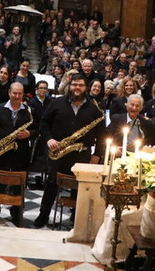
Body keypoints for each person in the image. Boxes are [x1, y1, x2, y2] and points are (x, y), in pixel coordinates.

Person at [34, 73, 104, 228]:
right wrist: (49, 139)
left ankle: (76, 219)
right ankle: (43, 215)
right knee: (51, 185)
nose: (77, 88)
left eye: (80, 85)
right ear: (69, 85)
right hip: (58, 153)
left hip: (82, 155)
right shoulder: (56, 103)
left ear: (86, 88)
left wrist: (97, 156)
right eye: (74, 85)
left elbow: (102, 136)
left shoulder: (94, 109)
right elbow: (44, 123)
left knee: (79, 189)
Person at [0, 82, 37, 225]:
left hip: (21, 155)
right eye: (14, 93)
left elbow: (37, 131)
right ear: (9, 93)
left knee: (18, 188)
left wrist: (29, 134)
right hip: (1, 154)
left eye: (20, 94)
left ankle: (16, 215)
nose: (17, 96)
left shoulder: (29, 111)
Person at [28, 80, 51, 188]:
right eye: (41, 88)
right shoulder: (32, 102)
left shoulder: (50, 102)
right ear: (37, 89)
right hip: (35, 131)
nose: (43, 90)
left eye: (45, 88)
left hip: (46, 132)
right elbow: (31, 120)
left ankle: (44, 176)